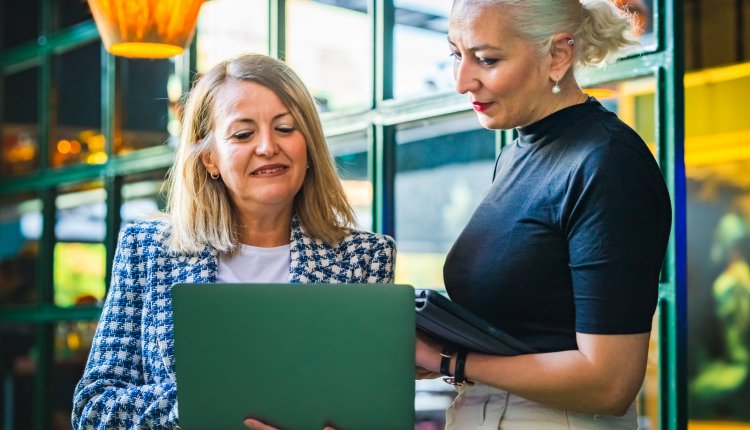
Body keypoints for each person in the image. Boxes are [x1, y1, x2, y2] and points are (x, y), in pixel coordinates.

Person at [71, 53, 395, 430]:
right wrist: (207, 403)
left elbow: (375, 408)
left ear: (308, 145)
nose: (267, 146)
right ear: (210, 158)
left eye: (286, 128)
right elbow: (93, 410)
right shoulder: (147, 249)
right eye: (243, 134)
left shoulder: (365, 257)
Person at [414, 1, 672, 428]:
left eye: (487, 59)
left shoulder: (607, 161)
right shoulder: (517, 152)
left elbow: (610, 383)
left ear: (558, 56)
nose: (462, 81)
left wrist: (450, 360)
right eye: (456, 54)